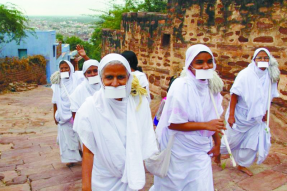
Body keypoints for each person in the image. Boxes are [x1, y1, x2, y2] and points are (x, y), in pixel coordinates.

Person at [73, 53, 158, 191]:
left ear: (128, 78)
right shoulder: (91, 107)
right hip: (102, 179)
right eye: (109, 77)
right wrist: (86, 186)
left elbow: (141, 141)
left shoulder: (138, 104)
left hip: (129, 177)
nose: (115, 83)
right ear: (101, 79)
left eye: (120, 77)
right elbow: (88, 151)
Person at [151, 44, 226, 191]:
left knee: (201, 185)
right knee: (173, 186)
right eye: (199, 62)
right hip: (178, 150)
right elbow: (173, 124)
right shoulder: (181, 86)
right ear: (190, 65)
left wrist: (217, 143)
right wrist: (205, 125)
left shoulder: (212, 87)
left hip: (200, 150)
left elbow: (213, 121)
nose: (205, 66)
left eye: (209, 61)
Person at [217, 48, 280, 176]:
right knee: (231, 140)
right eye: (260, 58)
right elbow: (235, 94)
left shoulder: (270, 76)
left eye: (265, 58)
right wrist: (231, 115)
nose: (263, 60)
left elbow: (269, 97)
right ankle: (218, 152)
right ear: (254, 60)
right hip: (240, 114)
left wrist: (265, 113)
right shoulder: (245, 74)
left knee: (251, 142)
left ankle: (242, 164)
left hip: (257, 117)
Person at [51, 60, 82, 167]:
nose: (64, 70)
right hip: (63, 116)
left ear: (71, 68)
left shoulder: (77, 80)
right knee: (66, 137)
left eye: (66, 68)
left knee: (79, 135)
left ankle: (81, 151)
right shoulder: (57, 83)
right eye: (62, 68)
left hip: (76, 113)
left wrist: (84, 56)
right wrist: (55, 115)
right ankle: (70, 158)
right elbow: (54, 100)